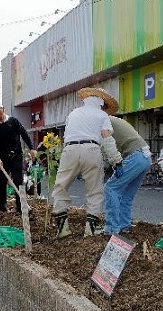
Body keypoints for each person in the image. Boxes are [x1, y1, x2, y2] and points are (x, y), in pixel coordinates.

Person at [52, 87, 118, 237]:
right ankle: (90, 231)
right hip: (92, 149)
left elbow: (66, 135)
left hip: (70, 150)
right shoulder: (102, 115)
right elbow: (107, 139)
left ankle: (63, 229)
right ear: (101, 104)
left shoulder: (73, 113)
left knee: (60, 187)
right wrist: (116, 160)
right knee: (94, 190)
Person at [102, 116, 151, 235]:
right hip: (145, 157)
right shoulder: (113, 119)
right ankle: (124, 226)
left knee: (110, 188)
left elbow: (108, 143)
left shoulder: (102, 120)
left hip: (134, 156)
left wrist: (116, 162)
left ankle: (112, 229)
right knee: (126, 195)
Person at [0, 103, 36, 213]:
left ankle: (20, 208)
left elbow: (24, 134)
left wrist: (31, 148)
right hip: (2, 158)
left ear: (3, 109)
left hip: (16, 156)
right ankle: (2, 208)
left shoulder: (13, 121)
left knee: (19, 181)